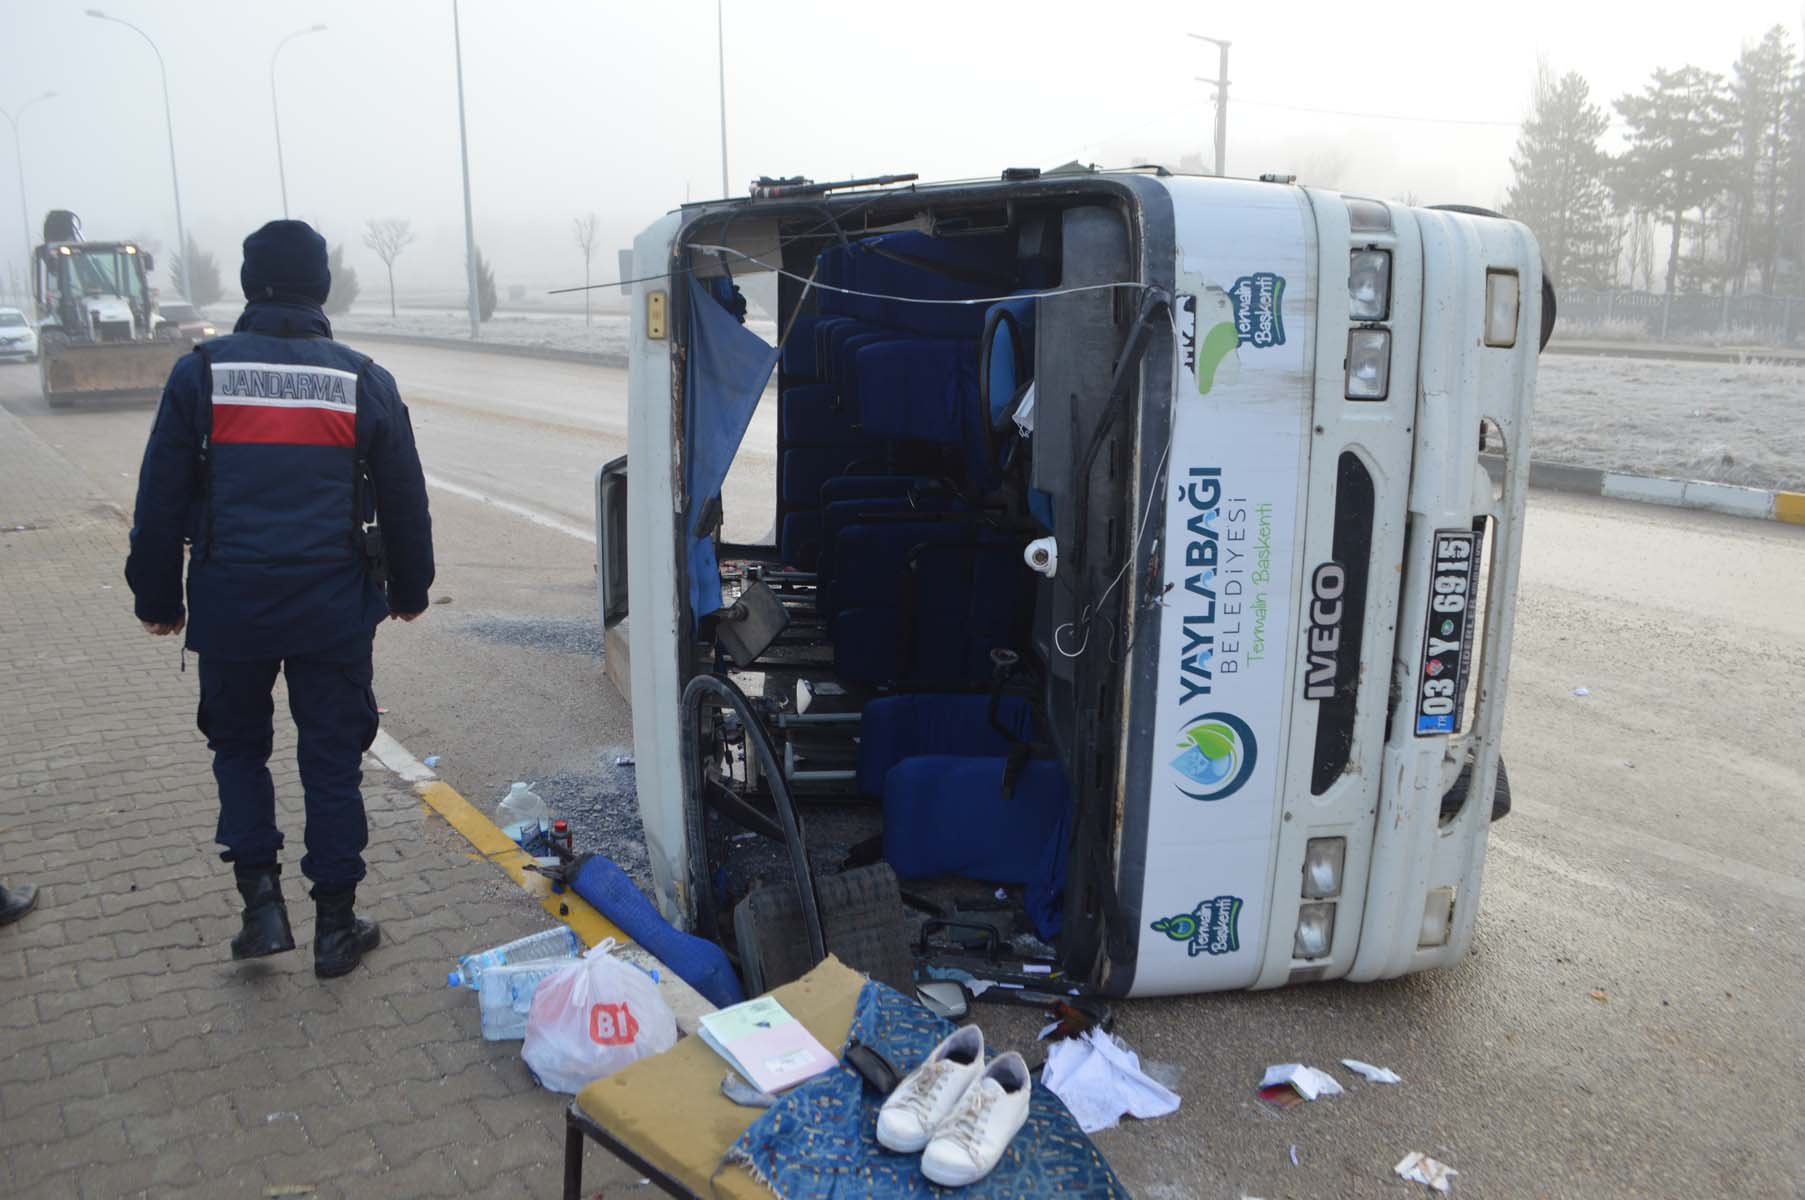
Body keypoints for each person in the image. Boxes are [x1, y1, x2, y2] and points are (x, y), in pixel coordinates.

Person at [125, 220, 434, 979]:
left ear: (248, 285)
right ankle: (335, 928)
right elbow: (404, 499)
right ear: (321, 289)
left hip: (232, 609)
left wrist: (158, 598)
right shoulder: (361, 377)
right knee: (331, 761)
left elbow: (160, 499)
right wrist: (409, 590)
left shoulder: (200, 373)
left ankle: (260, 910)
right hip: (332, 609)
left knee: (238, 751)